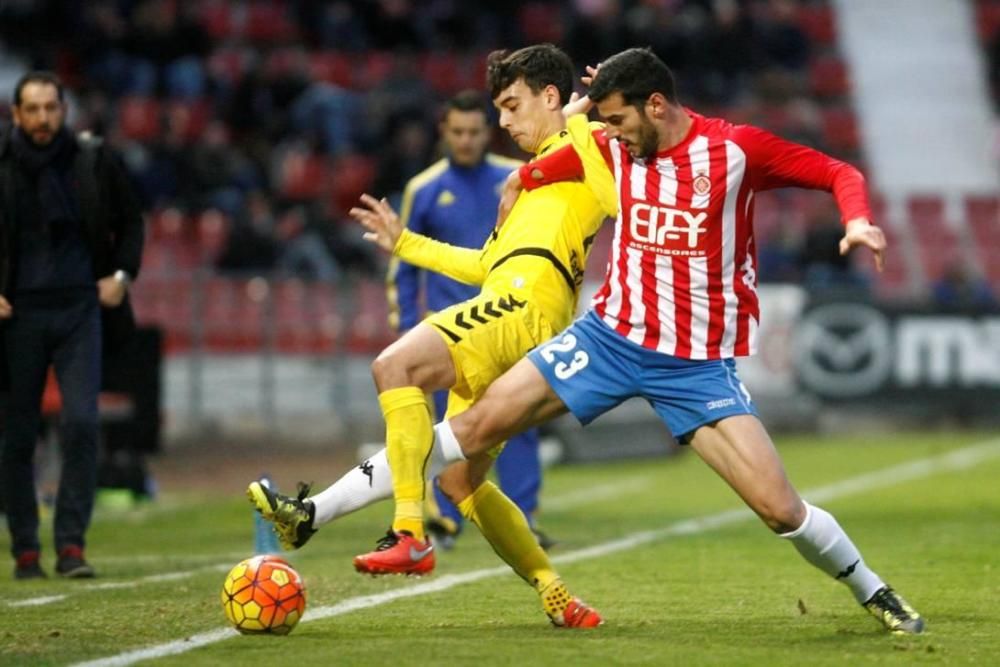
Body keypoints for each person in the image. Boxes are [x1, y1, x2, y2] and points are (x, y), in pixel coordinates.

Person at [420, 47, 924, 635]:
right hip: (610, 339)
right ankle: (317, 510)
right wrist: (523, 176)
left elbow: (838, 172)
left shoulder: (735, 151)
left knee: (780, 508)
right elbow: (559, 161)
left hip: (694, 365)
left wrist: (857, 220)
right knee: (471, 431)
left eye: (617, 119)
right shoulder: (617, 145)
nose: (609, 133)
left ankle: (875, 592)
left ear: (655, 105)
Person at [249, 45, 615, 628]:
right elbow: (486, 263)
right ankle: (555, 593)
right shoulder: (530, 181)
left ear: (551, 97)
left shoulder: (583, 145)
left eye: (511, 105)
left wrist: (580, 123)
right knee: (459, 478)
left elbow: (617, 195)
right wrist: (406, 244)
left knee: (394, 367)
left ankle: (410, 532)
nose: (503, 122)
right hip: (514, 311)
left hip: (519, 311)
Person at [385, 89, 549, 550]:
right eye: (457, 131)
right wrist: (404, 331)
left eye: (475, 131)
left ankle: (524, 517)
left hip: (510, 323)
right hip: (450, 334)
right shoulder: (424, 188)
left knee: (519, 423)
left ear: (487, 132)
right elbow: (403, 266)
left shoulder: (516, 179)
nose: (466, 140)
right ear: (444, 132)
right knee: (443, 432)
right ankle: (444, 523)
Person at [0, 71, 144, 579]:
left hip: (81, 310)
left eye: (50, 108)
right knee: (17, 437)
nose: (42, 118)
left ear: (64, 111)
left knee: (82, 423)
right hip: (16, 318)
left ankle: (70, 547)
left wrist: (122, 275)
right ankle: (25, 549)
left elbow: (131, 220)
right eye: (32, 109)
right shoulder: (2, 167)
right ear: (15, 114)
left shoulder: (91, 160)